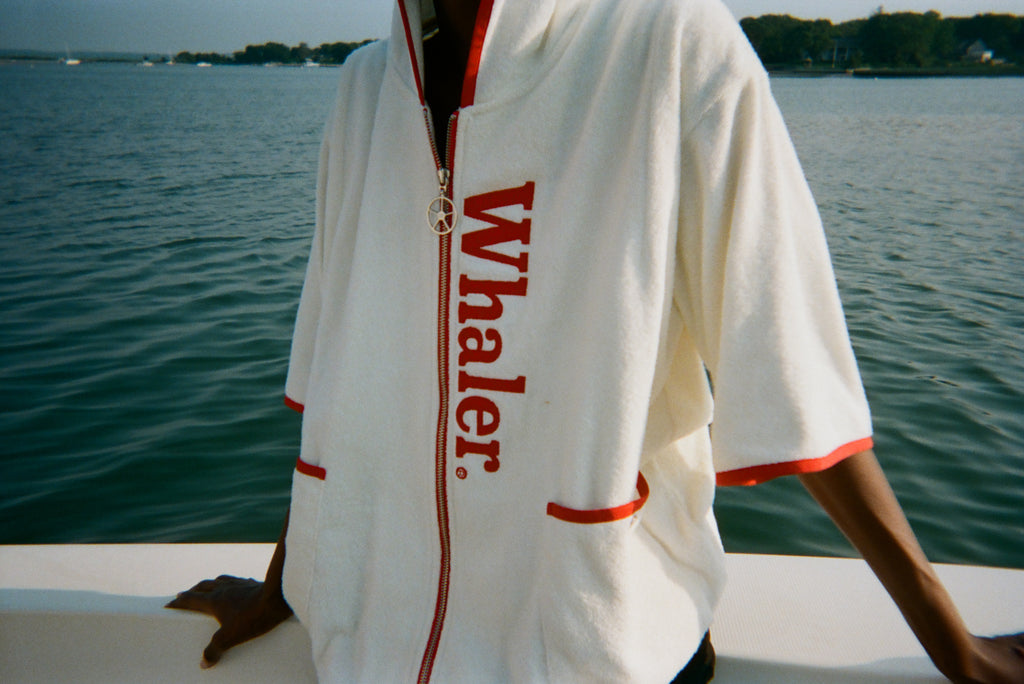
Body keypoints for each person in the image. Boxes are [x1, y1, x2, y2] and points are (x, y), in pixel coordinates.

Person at [167, 1, 1024, 682]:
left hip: (600, 657)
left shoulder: (673, 47)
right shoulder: (363, 91)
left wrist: (951, 642)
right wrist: (293, 582)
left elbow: (792, 372)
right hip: (369, 658)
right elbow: (342, 389)